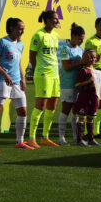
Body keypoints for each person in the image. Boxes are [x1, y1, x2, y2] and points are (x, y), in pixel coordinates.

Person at [0, 17, 29, 151]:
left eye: (23, 29)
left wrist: (23, 78)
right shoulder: (2, 41)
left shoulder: (20, 44)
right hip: (2, 82)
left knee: (23, 112)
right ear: (11, 28)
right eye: (20, 29)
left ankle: (20, 141)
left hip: (17, 83)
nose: (22, 32)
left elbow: (18, 63)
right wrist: (5, 75)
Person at [26, 10, 62, 148]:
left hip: (55, 75)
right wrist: (38, 70)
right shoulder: (38, 35)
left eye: (57, 18)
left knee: (52, 106)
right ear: (46, 20)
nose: (57, 21)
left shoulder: (56, 35)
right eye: (54, 18)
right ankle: (31, 138)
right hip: (43, 75)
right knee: (40, 106)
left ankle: (45, 137)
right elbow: (32, 55)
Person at [58, 23, 89, 146]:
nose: (82, 41)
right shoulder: (65, 49)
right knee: (65, 110)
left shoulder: (81, 49)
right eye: (80, 38)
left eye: (83, 39)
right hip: (68, 84)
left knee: (76, 112)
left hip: (79, 85)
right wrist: (81, 63)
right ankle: (61, 138)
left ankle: (76, 137)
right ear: (74, 36)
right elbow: (66, 67)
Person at [84, 17, 101, 137]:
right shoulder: (91, 41)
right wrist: (93, 72)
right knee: (94, 101)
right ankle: (87, 131)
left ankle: (96, 131)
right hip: (96, 72)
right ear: (96, 26)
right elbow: (87, 59)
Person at [72, 49, 100, 146]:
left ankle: (91, 138)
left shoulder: (96, 71)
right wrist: (88, 81)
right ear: (85, 58)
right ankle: (79, 140)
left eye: (94, 57)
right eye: (91, 57)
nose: (93, 59)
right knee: (82, 118)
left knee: (91, 118)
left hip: (94, 97)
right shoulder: (83, 71)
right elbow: (77, 84)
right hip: (84, 96)